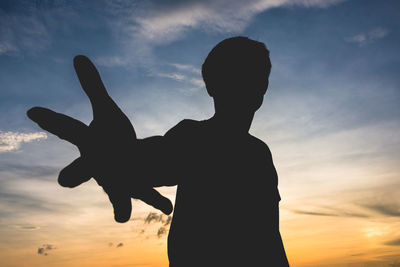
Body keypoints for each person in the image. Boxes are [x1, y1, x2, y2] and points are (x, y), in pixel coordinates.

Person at [27, 36, 289, 266]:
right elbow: (151, 160)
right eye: (234, 77)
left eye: (254, 77)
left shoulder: (259, 154)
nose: (248, 86)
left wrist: (121, 160)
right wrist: (115, 155)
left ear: (263, 86)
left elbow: (269, 239)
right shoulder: (195, 139)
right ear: (211, 87)